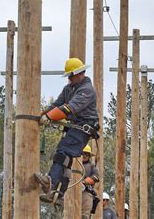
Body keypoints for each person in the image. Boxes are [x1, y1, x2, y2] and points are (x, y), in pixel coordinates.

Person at [34, 58, 100, 204]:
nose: (69, 78)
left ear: (79, 73)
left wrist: (49, 117)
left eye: (71, 75)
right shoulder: (69, 89)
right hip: (75, 126)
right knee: (66, 159)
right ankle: (58, 194)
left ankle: (50, 181)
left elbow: (71, 108)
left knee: (63, 152)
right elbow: (57, 104)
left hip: (84, 127)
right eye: (68, 76)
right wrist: (42, 114)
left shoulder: (87, 89)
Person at [81, 145, 100, 218]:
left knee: (84, 216)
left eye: (86, 154)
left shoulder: (91, 166)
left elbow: (96, 177)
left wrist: (86, 181)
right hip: (73, 192)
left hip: (86, 192)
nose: (84, 155)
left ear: (89, 156)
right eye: (83, 153)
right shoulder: (73, 165)